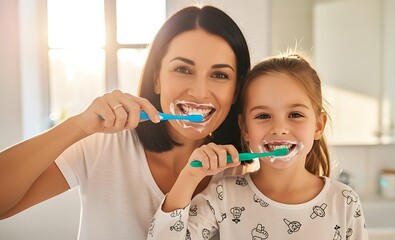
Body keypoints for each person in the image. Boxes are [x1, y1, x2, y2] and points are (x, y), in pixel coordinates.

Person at [0, 5, 250, 239]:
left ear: (236, 91)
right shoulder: (105, 143)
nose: (199, 92)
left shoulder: (242, 175)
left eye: (219, 75)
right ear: (156, 78)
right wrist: (78, 126)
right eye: (183, 70)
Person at [147, 54, 369, 239]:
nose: (279, 128)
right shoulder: (224, 196)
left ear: (318, 126)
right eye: (263, 115)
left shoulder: (344, 201)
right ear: (244, 128)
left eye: (295, 114)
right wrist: (189, 177)